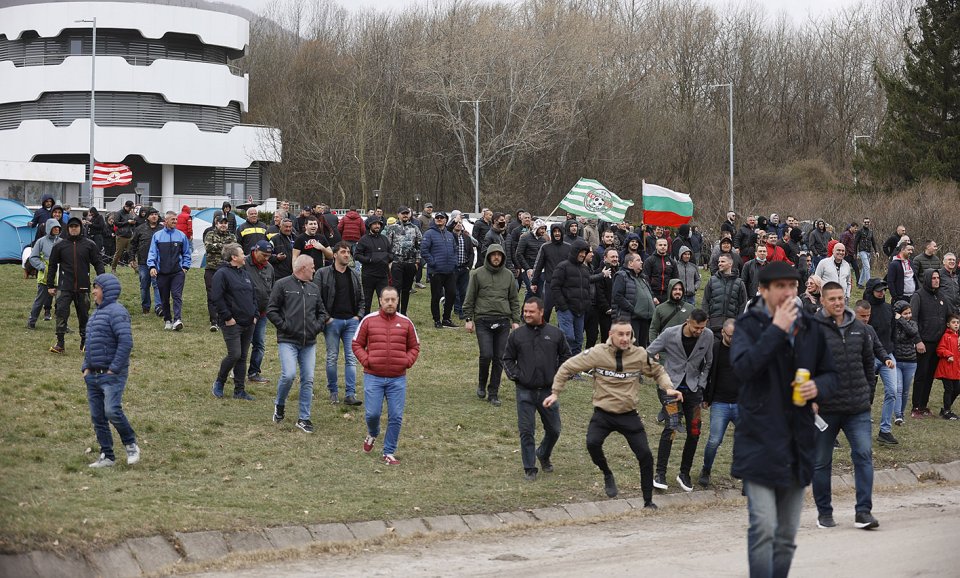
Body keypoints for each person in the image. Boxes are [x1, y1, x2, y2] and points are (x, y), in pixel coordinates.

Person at [730, 261, 837, 577]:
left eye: (792, 286)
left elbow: (832, 374)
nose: (788, 292)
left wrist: (818, 386)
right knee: (763, 526)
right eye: (780, 287)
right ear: (763, 290)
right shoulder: (748, 326)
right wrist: (776, 329)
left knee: (787, 536)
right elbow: (744, 369)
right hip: (759, 441)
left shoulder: (810, 326)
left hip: (797, 441)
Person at [544, 317, 683, 506]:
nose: (625, 338)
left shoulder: (639, 355)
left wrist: (668, 387)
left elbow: (658, 371)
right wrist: (555, 392)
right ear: (611, 334)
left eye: (628, 334)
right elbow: (568, 367)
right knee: (592, 443)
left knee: (645, 456)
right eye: (621, 334)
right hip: (603, 414)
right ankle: (607, 473)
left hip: (628, 415)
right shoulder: (597, 353)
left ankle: (648, 502)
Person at [812, 281, 879, 531]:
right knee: (821, 463)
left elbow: (868, 363)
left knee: (863, 456)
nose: (838, 303)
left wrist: (867, 393)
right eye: (832, 299)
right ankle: (824, 513)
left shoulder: (859, 328)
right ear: (822, 301)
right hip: (824, 411)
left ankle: (863, 512)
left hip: (857, 408)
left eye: (841, 298)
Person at [503, 297, 571, 481]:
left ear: (541, 312)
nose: (526, 314)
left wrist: (558, 376)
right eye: (525, 311)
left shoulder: (556, 334)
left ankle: (543, 453)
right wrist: (517, 376)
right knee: (526, 431)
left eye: (531, 312)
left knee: (554, 430)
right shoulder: (516, 335)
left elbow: (567, 357)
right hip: (524, 391)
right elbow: (507, 359)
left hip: (548, 391)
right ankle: (529, 467)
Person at [647, 310, 713, 492]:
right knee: (671, 427)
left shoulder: (707, 336)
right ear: (687, 322)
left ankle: (684, 473)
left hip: (693, 389)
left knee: (695, 430)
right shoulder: (670, 334)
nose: (699, 331)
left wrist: (701, 383)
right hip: (670, 388)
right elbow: (648, 353)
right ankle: (660, 473)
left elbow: (708, 363)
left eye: (702, 327)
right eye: (696, 327)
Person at [354, 286, 421, 466]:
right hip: (373, 377)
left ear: (398, 301)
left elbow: (415, 346)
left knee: (396, 416)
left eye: (393, 300)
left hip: (397, 378)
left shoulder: (406, 323)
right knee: (372, 414)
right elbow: (356, 344)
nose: (390, 303)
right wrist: (367, 361)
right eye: (387, 300)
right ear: (380, 301)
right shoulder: (368, 321)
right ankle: (373, 433)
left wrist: (406, 361)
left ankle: (389, 451)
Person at [82, 273, 140, 468]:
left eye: (96, 288)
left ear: (106, 290)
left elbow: (126, 342)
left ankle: (130, 444)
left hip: (111, 375)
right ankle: (107, 456)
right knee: (98, 417)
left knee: (112, 410)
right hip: (93, 375)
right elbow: (90, 344)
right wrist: (86, 368)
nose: (93, 291)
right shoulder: (95, 314)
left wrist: (114, 369)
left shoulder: (117, 312)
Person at [267, 255, 328, 433]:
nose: (314, 270)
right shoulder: (282, 285)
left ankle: (304, 418)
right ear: (303, 268)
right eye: (312, 267)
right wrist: (284, 326)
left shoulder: (314, 288)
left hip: (309, 342)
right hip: (288, 340)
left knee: (308, 379)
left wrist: (316, 327)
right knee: (289, 375)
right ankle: (279, 405)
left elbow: (322, 312)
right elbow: (272, 309)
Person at [462, 243, 521, 406]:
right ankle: (481, 384)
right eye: (493, 254)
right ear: (488, 256)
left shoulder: (509, 275)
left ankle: (493, 392)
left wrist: (516, 320)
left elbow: (514, 300)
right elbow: (470, 298)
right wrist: (468, 319)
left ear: (502, 257)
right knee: (486, 354)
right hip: (483, 320)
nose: (496, 257)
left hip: (503, 321)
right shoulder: (477, 274)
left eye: (499, 255)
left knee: (499, 358)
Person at [316, 242, 365, 406]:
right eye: (343, 252)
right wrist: (326, 318)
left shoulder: (355, 274)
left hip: (351, 322)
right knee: (332, 358)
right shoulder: (323, 273)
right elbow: (317, 298)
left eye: (348, 252)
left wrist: (358, 316)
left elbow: (362, 298)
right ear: (335, 255)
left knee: (351, 358)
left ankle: (350, 394)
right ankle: (333, 392)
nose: (347, 254)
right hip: (332, 322)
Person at [47, 217, 105, 353]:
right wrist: (50, 285)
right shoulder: (59, 246)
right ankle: (60, 343)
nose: (74, 228)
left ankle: (85, 343)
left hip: (83, 287)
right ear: (68, 229)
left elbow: (98, 263)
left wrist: (100, 281)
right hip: (64, 286)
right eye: (71, 226)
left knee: (84, 314)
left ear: (80, 228)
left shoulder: (89, 245)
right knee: (61, 313)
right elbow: (52, 266)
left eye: (76, 226)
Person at [210, 243, 258, 401]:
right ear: (234, 257)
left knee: (243, 356)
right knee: (234, 354)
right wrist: (228, 317)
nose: (245, 256)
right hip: (232, 323)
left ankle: (239, 390)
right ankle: (219, 382)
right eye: (242, 253)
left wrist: (255, 314)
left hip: (248, 322)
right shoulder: (221, 274)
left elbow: (253, 295)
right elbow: (216, 297)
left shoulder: (245, 273)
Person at [699, 318, 738, 487]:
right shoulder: (714, 349)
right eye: (730, 336)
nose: (734, 339)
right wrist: (706, 397)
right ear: (723, 332)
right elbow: (707, 374)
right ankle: (706, 469)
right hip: (720, 402)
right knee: (714, 440)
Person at [911, 269, 953, 418]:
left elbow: (950, 316)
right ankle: (915, 407)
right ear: (928, 279)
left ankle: (923, 405)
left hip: (938, 344)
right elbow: (913, 319)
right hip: (924, 343)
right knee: (921, 375)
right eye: (933, 278)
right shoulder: (918, 296)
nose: (936, 280)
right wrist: (918, 340)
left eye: (938, 278)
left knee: (930, 376)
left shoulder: (941, 296)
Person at [863, 279, 899, 444]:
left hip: (887, 355)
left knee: (892, 390)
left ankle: (885, 430)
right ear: (871, 291)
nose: (882, 293)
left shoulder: (888, 308)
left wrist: (892, 351)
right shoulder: (864, 311)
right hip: (868, 356)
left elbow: (893, 331)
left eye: (884, 290)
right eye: (879, 290)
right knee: (866, 392)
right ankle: (862, 424)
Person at [147, 211, 191, 331]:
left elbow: (187, 252)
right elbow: (152, 253)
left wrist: (185, 267)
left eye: (176, 219)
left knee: (177, 295)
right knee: (164, 297)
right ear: (166, 221)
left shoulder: (181, 236)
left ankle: (177, 320)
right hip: (162, 273)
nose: (175, 222)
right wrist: (152, 266)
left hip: (177, 272)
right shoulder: (157, 236)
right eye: (173, 220)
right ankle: (167, 319)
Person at [552, 238, 592, 356]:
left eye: (585, 253)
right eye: (581, 252)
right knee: (568, 337)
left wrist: (586, 305)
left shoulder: (585, 269)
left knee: (579, 340)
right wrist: (563, 306)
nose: (583, 255)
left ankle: (574, 369)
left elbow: (587, 288)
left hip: (580, 311)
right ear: (575, 251)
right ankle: (562, 364)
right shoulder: (562, 267)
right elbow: (555, 287)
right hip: (566, 310)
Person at [244, 241, 276, 385]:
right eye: (264, 255)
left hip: (262, 313)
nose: (266, 258)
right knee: (241, 345)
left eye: (269, 256)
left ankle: (254, 372)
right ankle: (236, 370)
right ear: (255, 251)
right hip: (245, 312)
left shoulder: (269, 268)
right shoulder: (243, 264)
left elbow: (272, 287)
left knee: (260, 344)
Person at [421, 211, 459, 328]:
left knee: (452, 294)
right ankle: (437, 320)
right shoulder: (429, 233)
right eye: (437, 217)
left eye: (441, 217)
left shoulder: (450, 234)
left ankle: (446, 318)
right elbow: (424, 251)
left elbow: (455, 249)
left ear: (446, 220)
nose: (439, 219)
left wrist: (454, 262)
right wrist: (433, 263)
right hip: (436, 271)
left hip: (450, 271)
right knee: (436, 296)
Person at [612, 253, 656, 347]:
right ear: (630, 263)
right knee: (632, 347)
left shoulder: (643, 277)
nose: (642, 262)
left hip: (645, 318)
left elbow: (650, 293)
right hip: (631, 318)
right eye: (638, 260)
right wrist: (633, 309)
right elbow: (617, 296)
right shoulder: (622, 276)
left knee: (643, 347)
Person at [531, 224, 570, 322]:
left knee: (563, 310)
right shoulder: (545, 247)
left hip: (564, 285)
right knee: (546, 310)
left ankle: (562, 332)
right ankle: (542, 330)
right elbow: (539, 265)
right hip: (550, 285)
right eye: (554, 231)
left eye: (559, 231)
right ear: (552, 233)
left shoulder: (568, 247)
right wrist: (534, 282)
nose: (557, 233)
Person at [26, 219, 61, 329]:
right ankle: (31, 322)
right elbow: (33, 257)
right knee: (40, 300)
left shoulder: (61, 241)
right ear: (49, 228)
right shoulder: (41, 241)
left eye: (58, 227)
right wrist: (43, 267)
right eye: (54, 227)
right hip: (45, 276)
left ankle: (63, 325)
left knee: (62, 302)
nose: (56, 229)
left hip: (60, 276)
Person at [202, 217, 236, 330]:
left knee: (227, 295)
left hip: (227, 270)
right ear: (216, 224)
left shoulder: (232, 236)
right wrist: (225, 247)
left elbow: (234, 250)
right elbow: (208, 247)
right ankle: (214, 321)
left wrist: (217, 245)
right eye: (221, 223)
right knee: (212, 295)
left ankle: (225, 318)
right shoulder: (210, 234)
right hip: (212, 269)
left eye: (225, 223)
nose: (223, 225)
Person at [702, 254, 748, 336]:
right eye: (719, 262)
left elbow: (742, 305)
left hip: (731, 327)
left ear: (730, 264)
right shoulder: (711, 281)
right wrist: (707, 320)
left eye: (722, 261)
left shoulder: (739, 283)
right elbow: (705, 301)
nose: (719, 264)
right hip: (713, 326)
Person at [128, 208, 163, 316]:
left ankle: (159, 307)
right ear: (147, 216)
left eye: (156, 214)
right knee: (144, 285)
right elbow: (132, 244)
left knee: (157, 284)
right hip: (143, 261)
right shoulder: (140, 229)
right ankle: (146, 307)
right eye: (152, 214)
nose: (154, 216)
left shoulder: (162, 229)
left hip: (158, 262)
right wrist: (132, 258)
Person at [892, 301, 921, 425]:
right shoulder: (893, 325)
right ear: (898, 314)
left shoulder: (913, 324)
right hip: (897, 360)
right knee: (898, 389)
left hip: (910, 361)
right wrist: (897, 321)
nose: (908, 315)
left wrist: (901, 320)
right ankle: (898, 415)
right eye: (905, 313)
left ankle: (902, 413)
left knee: (905, 390)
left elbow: (912, 332)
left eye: (909, 313)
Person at [355, 218, 391, 315]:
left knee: (384, 300)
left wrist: (387, 258)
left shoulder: (384, 239)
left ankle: (384, 321)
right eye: (374, 224)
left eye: (379, 224)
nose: (377, 226)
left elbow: (390, 253)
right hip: (368, 275)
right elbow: (357, 255)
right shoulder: (364, 239)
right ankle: (365, 321)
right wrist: (369, 259)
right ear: (369, 225)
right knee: (366, 301)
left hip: (383, 275)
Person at [935, 314, 960, 419]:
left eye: (958, 323)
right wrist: (948, 354)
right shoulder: (946, 336)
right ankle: (946, 411)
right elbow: (940, 349)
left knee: (957, 389)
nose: (956, 324)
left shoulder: (958, 337)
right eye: (954, 322)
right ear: (948, 324)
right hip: (947, 368)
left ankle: (946, 408)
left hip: (956, 369)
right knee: (949, 389)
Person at [516, 220, 547, 301]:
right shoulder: (525, 237)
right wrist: (527, 269)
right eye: (541, 228)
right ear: (536, 228)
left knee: (539, 293)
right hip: (527, 270)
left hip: (539, 271)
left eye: (544, 228)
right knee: (531, 290)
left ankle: (531, 311)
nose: (543, 231)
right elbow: (519, 254)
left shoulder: (543, 240)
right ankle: (525, 312)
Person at [451, 219, 476, 320]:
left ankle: (462, 310)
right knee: (454, 290)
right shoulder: (450, 236)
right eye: (456, 223)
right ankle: (456, 308)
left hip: (464, 267)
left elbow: (471, 253)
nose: (458, 225)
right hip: (453, 268)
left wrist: (469, 266)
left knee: (464, 290)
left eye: (460, 223)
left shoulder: (466, 237)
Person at [643, 238, 677, 305]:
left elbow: (675, 279)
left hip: (667, 295)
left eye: (665, 245)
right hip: (654, 294)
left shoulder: (672, 262)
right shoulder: (649, 261)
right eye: (660, 245)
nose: (663, 247)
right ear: (656, 246)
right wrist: (652, 296)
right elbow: (645, 280)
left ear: (667, 246)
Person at [111, 200, 137, 272]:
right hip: (121, 236)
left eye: (131, 208)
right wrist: (127, 222)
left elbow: (131, 224)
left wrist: (132, 223)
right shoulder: (118, 213)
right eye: (129, 208)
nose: (130, 209)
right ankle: (113, 268)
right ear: (126, 206)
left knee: (131, 253)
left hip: (129, 235)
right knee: (118, 253)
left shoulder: (130, 214)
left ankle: (136, 268)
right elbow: (116, 223)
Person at [854, 217, 879, 288]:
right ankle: (869, 285)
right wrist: (855, 253)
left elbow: (873, 242)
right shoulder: (860, 231)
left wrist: (876, 251)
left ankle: (860, 283)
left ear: (869, 223)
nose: (867, 223)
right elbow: (855, 242)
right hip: (862, 251)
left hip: (869, 251)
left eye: (868, 222)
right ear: (863, 223)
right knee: (867, 267)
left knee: (865, 268)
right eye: (865, 222)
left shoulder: (871, 231)